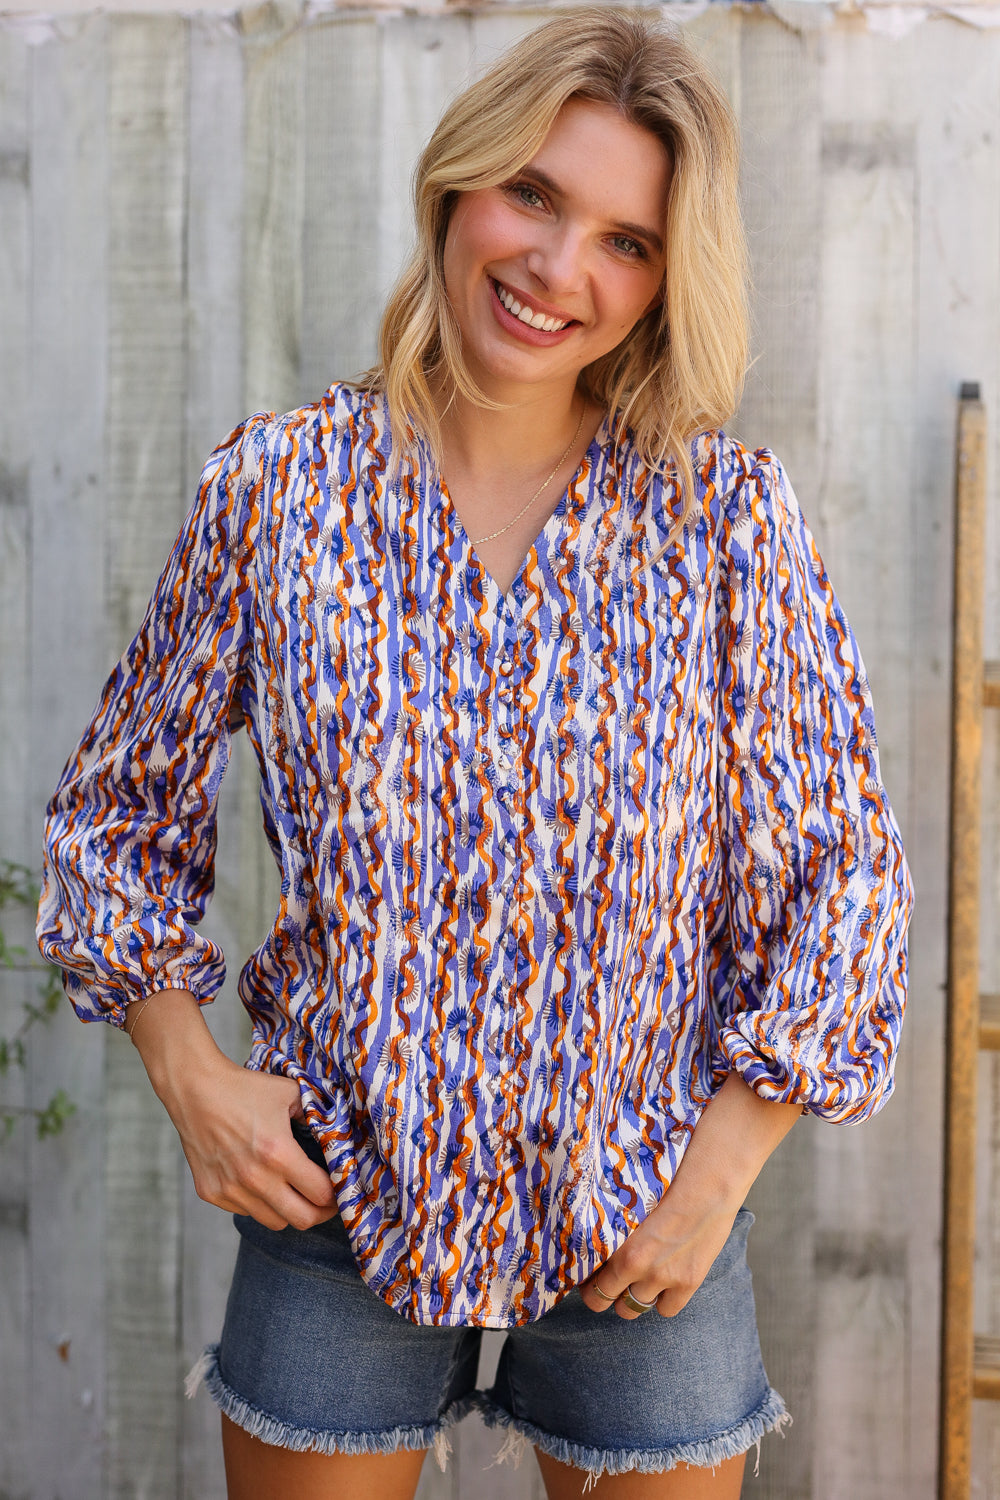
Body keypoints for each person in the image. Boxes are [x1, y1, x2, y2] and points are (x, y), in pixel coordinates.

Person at [37, 10, 912, 1499]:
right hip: (338, 1208)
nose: (561, 268)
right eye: (536, 196)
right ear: (459, 185)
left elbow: (845, 877)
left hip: (650, 1228)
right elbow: (119, 814)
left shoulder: (725, 523)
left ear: (661, 281)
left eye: (627, 242)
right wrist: (189, 1073)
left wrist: (716, 1183)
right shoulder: (279, 492)